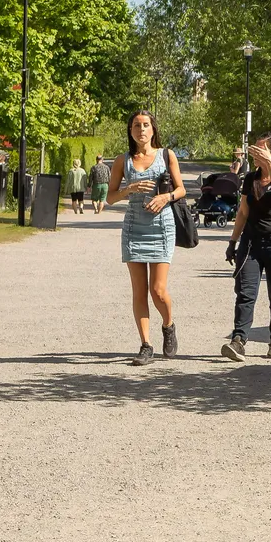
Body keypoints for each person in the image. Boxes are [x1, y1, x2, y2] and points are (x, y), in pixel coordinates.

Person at [111, 111, 184, 365]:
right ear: (130, 130)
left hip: (161, 227)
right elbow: (110, 197)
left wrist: (166, 197)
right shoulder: (123, 161)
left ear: (153, 129)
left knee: (158, 290)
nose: (141, 129)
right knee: (139, 291)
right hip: (134, 228)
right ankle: (145, 345)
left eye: (145, 125)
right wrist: (128, 189)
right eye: (136, 125)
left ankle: (168, 324)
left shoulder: (166, 155)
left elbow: (181, 189)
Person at [221, 132, 271, 362]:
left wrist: (270, 164)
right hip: (251, 243)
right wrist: (233, 241)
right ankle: (238, 340)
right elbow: (243, 212)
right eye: (253, 149)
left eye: (259, 150)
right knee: (245, 294)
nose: (254, 153)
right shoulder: (250, 178)